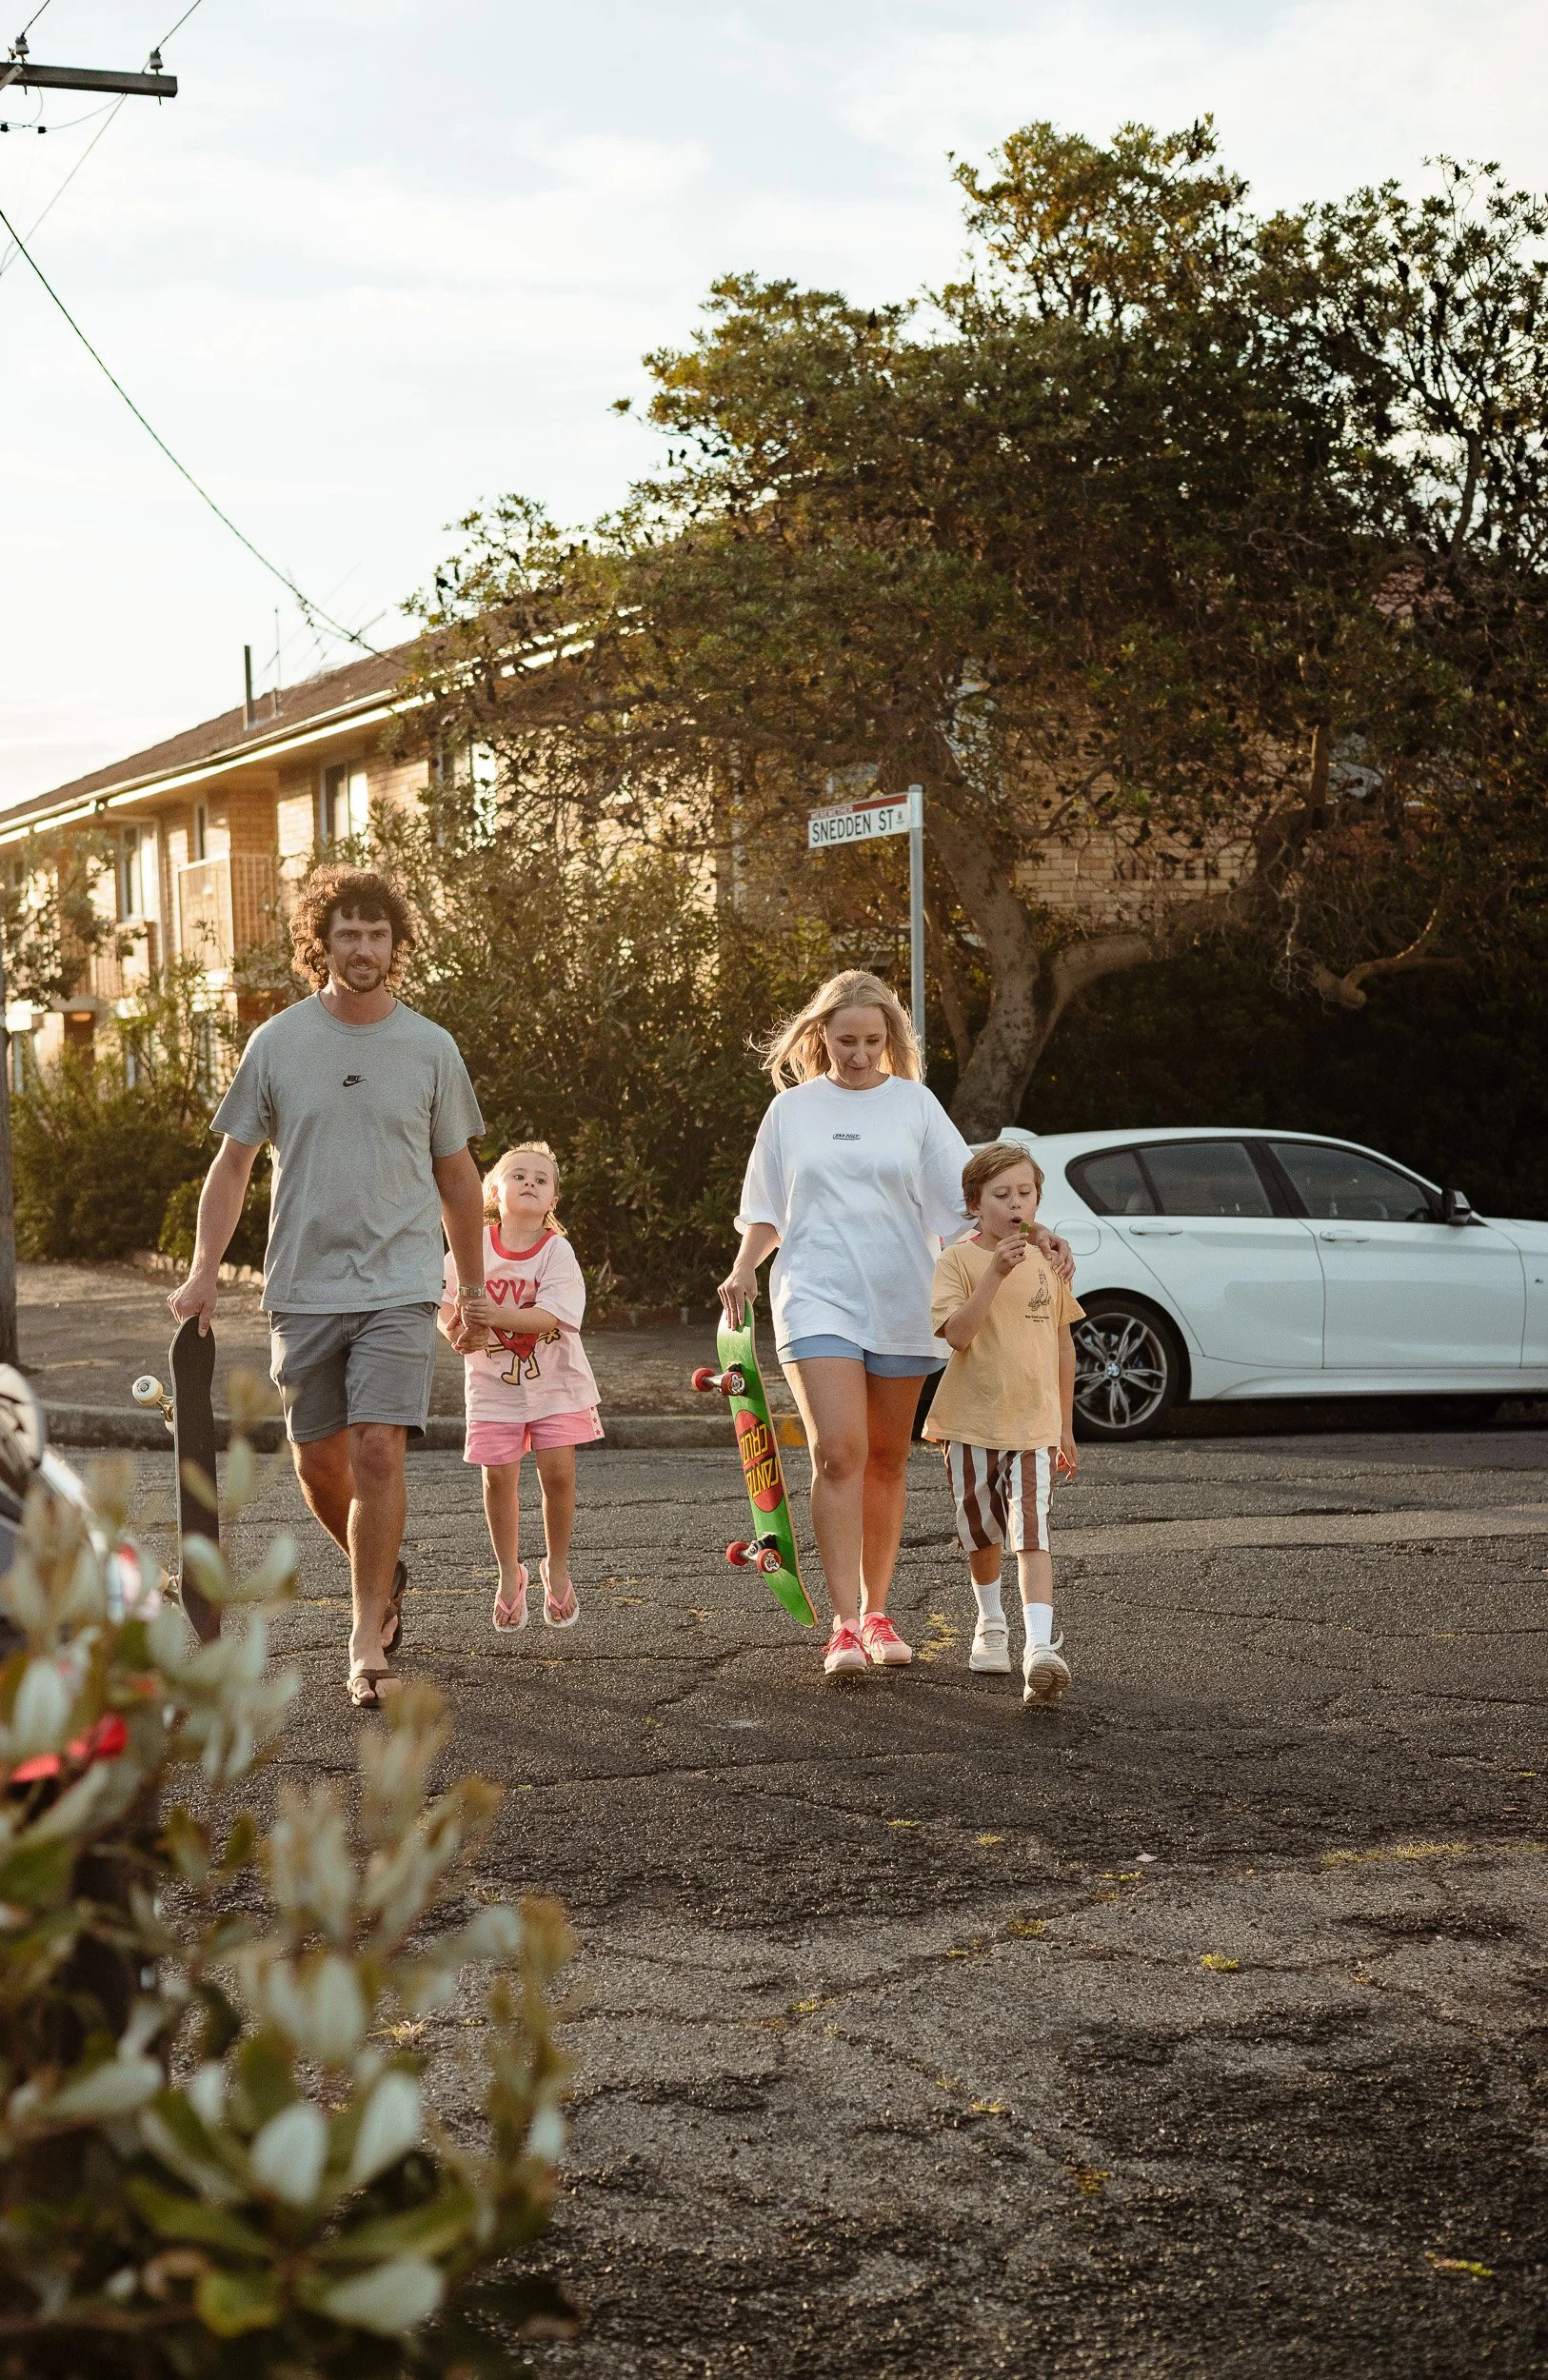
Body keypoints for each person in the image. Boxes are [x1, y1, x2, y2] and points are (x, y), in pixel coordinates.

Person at [169, 863, 496, 1710]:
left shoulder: (430, 1046)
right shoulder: (279, 1041)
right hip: (304, 1286)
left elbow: (459, 1175)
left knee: (379, 1448)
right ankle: (382, 1574)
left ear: (397, 944)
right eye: (346, 933)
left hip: (399, 1283)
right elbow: (233, 1163)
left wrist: (473, 1286)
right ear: (323, 942)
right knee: (319, 1462)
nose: (363, 948)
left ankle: (363, 1638)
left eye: (377, 934)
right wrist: (204, 1271)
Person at [718, 968, 1072, 1678]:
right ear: (821, 1035)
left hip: (903, 1296)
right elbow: (765, 1209)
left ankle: (879, 1613)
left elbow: (973, 1203)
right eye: (846, 1040)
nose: (859, 1054)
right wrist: (743, 1266)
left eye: (873, 1041)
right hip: (816, 1293)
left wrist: (1037, 1234)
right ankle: (844, 1625)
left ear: (890, 1039)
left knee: (885, 1457)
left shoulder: (914, 1105)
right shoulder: (791, 1112)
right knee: (837, 1452)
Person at [923, 1140, 1083, 1703]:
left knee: (1031, 1533)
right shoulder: (958, 1261)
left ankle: (1039, 1649)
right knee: (982, 1533)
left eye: (1025, 1192)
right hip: (970, 1423)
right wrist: (993, 1272)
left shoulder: (1052, 1260)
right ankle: (990, 1621)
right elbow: (959, 1335)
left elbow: (1064, 1345)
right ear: (974, 1203)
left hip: (1035, 1424)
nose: (1016, 1204)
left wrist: (1065, 1425)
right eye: (1001, 1194)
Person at [439, 1140, 600, 1635]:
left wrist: (493, 1315)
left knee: (558, 1477)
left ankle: (557, 1565)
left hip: (557, 1385)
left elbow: (554, 1314)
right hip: (493, 1389)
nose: (529, 1183)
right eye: (518, 1176)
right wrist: (457, 1332)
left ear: (553, 1200)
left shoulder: (557, 1250)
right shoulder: (472, 1248)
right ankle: (511, 1572)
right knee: (498, 1481)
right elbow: (445, 1305)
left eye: (541, 1179)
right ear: (494, 1190)